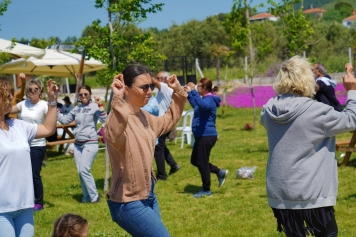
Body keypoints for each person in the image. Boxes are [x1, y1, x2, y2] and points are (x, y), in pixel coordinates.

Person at [260, 56, 356, 237]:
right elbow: (352, 120)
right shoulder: (316, 111)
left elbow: (266, 117)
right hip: (312, 193)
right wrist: (352, 92)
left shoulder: (268, 110)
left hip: (281, 193)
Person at [105, 65, 187, 236]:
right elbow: (113, 134)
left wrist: (177, 91)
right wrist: (118, 100)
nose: (149, 91)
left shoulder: (145, 117)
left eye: (150, 86)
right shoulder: (117, 118)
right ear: (126, 89)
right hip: (127, 202)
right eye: (144, 87)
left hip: (148, 194)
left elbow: (169, 119)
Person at [0, 77, 58, 237]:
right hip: (2, 208)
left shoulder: (18, 126)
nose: (12, 97)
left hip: (24, 205)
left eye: (11, 93)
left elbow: (48, 129)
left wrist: (52, 101)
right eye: (7, 94)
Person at [57, 85, 107, 203]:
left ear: (89, 94)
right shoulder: (76, 108)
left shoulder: (94, 107)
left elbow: (105, 119)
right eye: (81, 94)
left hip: (90, 142)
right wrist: (55, 110)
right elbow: (64, 120)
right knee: (80, 172)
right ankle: (86, 197)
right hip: (78, 144)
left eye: (86, 94)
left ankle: (95, 197)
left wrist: (100, 105)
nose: (83, 96)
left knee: (84, 169)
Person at [184, 78, 228, 198]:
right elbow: (196, 105)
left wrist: (193, 91)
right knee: (195, 161)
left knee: (202, 162)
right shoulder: (204, 99)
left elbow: (202, 105)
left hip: (207, 135)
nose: (197, 88)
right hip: (201, 135)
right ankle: (219, 172)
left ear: (204, 88)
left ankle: (206, 190)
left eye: (199, 87)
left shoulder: (210, 99)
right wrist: (188, 93)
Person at [11, 78, 50, 212]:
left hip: (37, 144)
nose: (32, 91)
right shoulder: (23, 104)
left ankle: (39, 202)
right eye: (30, 89)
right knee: (21, 173)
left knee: (34, 174)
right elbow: (8, 109)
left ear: (40, 91)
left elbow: (54, 118)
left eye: (36, 89)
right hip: (22, 145)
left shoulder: (44, 105)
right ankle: (24, 199)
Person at [152, 71, 181, 180]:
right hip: (165, 122)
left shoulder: (164, 87)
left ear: (165, 79)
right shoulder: (167, 89)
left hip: (163, 123)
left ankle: (162, 175)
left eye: (159, 78)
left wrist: (143, 75)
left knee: (157, 148)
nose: (157, 79)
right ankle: (173, 165)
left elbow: (153, 81)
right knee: (161, 146)